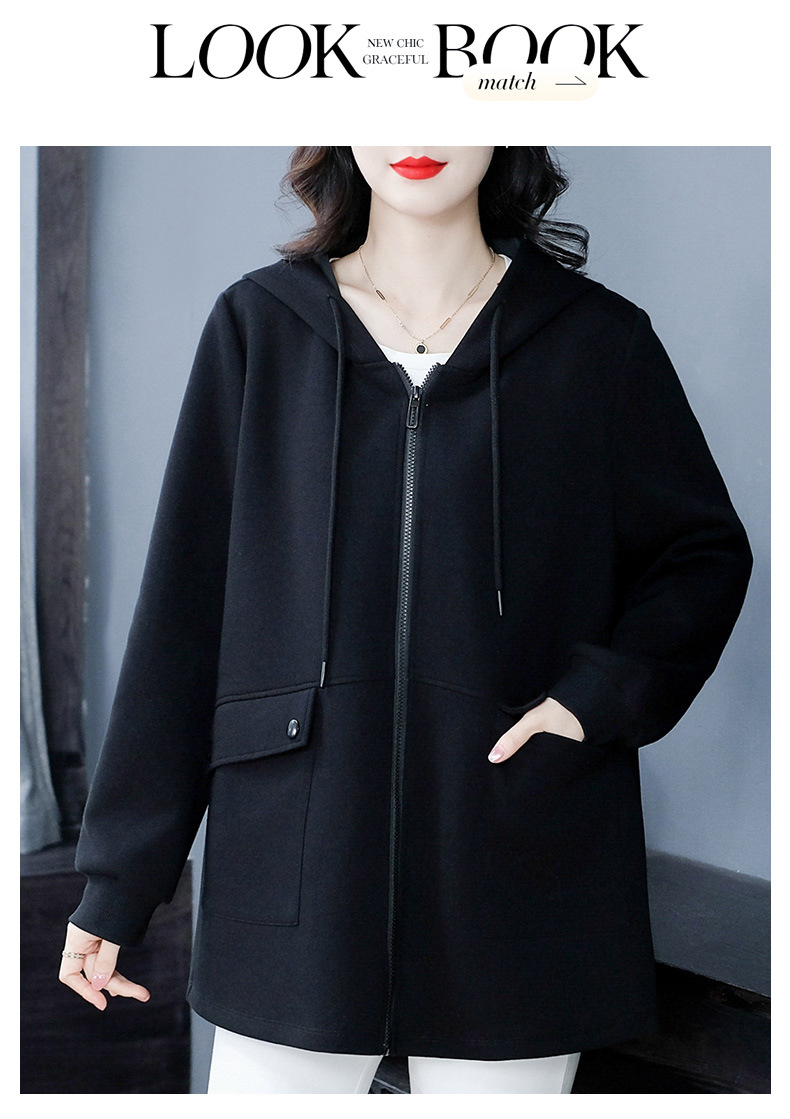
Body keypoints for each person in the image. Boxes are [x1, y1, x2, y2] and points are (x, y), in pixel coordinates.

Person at [59, 147, 753, 1094]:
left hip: (515, 868)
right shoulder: (260, 327)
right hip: (296, 871)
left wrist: (591, 701)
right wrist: (120, 881)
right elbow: (184, 614)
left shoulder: (597, 341)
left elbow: (701, 556)